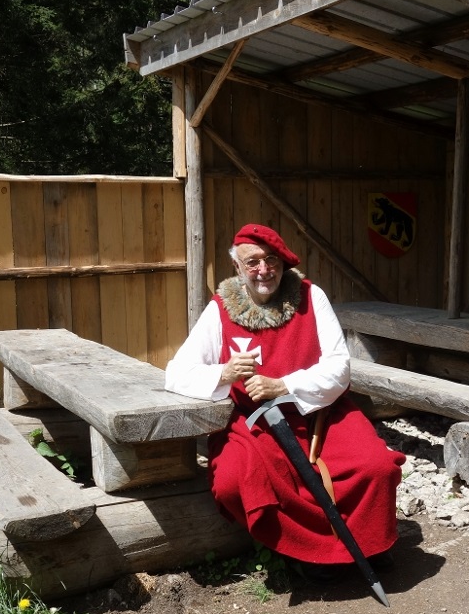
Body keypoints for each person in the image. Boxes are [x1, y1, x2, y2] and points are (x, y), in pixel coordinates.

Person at [165, 223, 403, 581]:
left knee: (375, 466)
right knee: (234, 482)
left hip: (321, 412)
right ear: (237, 267)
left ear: (283, 262)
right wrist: (224, 373)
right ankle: (306, 555)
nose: (263, 270)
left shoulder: (310, 297)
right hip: (256, 423)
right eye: (253, 262)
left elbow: (339, 366)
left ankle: (367, 548)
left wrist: (282, 384)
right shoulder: (219, 311)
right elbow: (176, 373)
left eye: (271, 259)